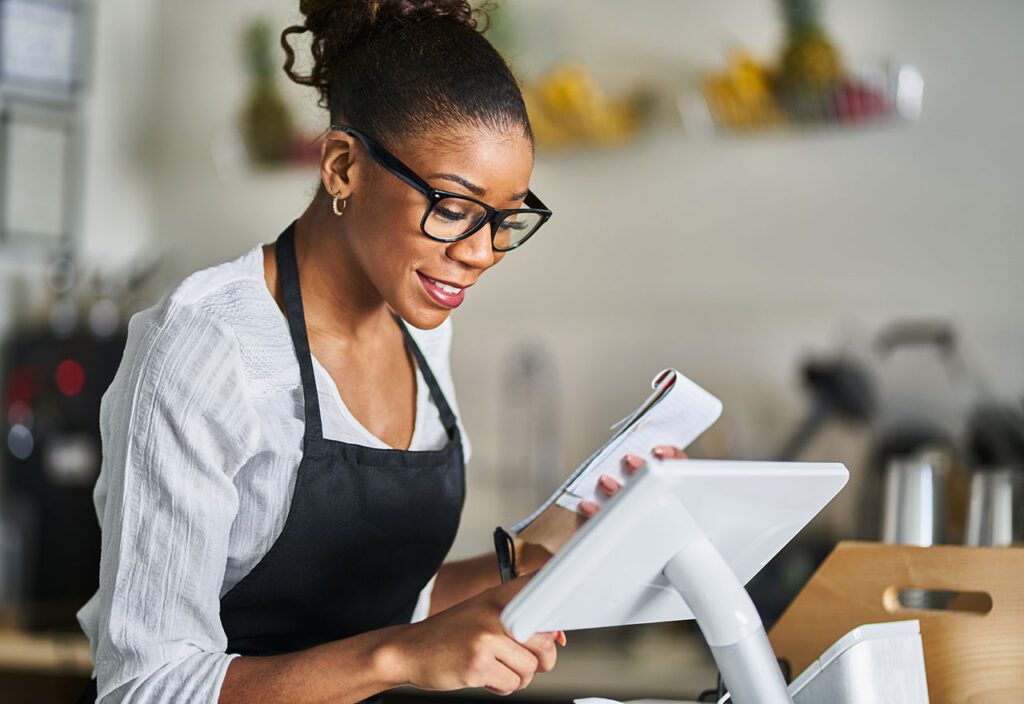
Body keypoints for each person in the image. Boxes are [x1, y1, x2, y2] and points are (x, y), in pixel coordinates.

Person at [76, 2, 688, 702]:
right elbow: (144, 686)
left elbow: (384, 599)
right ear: (342, 167)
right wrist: (399, 658)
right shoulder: (205, 349)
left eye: (506, 219)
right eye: (453, 209)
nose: (482, 253)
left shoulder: (423, 325)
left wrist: (578, 537)